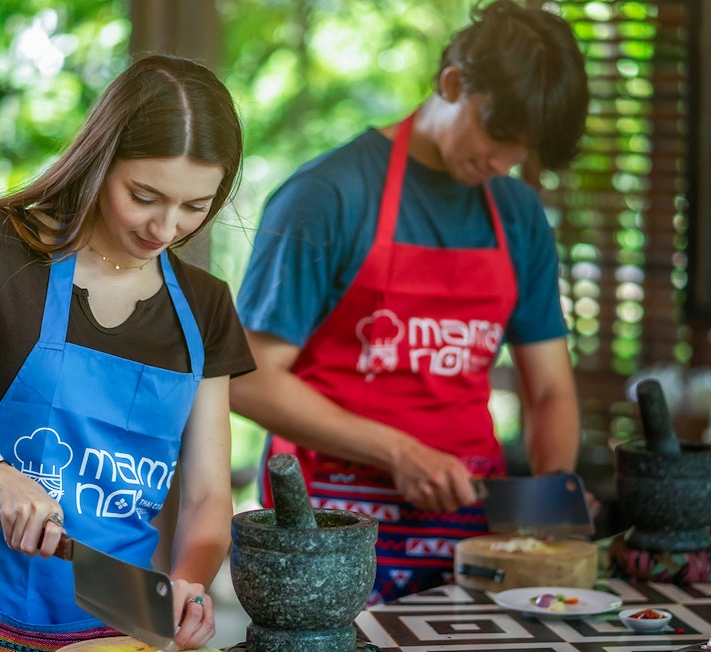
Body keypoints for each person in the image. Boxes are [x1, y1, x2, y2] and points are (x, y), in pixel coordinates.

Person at [0, 54, 254, 651]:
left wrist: (189, 582)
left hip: (123, 629)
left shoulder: (205, 305)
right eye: (144, 196)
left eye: (195, 207)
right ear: (100, 157)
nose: (166, 228)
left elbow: (211, 495)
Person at [229, 0, 590, 604]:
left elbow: (551, 390)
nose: (503, 164)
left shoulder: (517, 214)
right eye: (499, 137)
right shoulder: (327, 196)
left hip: (469, 532)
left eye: (521, 152)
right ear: (453, 83)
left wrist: (547, 510)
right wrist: (399, 451)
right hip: (329, 532)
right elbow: (247, 378)